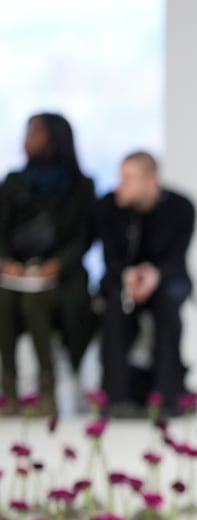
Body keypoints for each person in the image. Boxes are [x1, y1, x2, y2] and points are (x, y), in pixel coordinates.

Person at [0, 113, 96, 417]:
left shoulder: (81, 187)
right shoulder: (14, 183)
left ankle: (46, 387)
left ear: (54, 139)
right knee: (3, 299)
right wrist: (6, 262)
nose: (26, 139)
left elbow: (83, 237)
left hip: (60, 279)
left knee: (33, 303)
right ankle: (10, 388)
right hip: (15, 275)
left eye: (34, 133)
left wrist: (57, 264)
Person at [96, 149, 196, 418]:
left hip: (165, 279)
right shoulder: (108, 207)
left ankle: (167, 395)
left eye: (129, 178)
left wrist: (155, 276)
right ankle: (116, 397)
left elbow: (177, 257)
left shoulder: (181, 208)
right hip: (122, 280)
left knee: (167, 307)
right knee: (115, 309)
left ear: (151, 181)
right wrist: (128, 276)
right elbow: (110, 258)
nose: (121, 185)